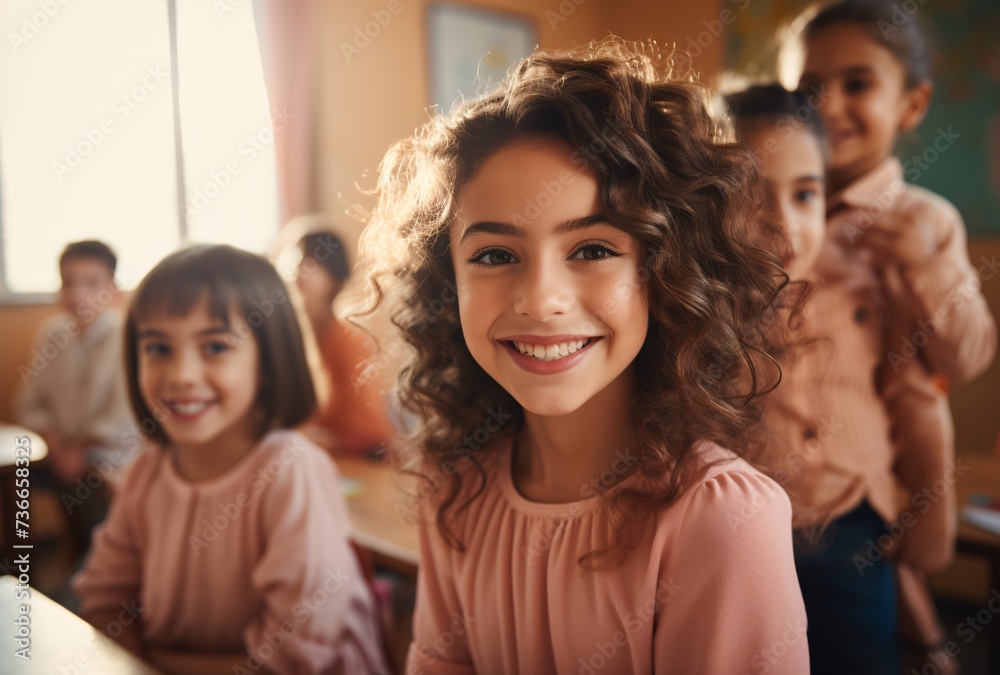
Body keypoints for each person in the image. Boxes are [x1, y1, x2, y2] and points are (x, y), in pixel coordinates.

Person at [359, 39, 809, 674]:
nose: (541, 301)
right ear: (445, 282)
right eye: (493, 255)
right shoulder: (454, 487)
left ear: (667, 271)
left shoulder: (723, 520)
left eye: (593, 249)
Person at [72, 245, 389, 675]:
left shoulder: (290, 471)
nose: (181, 374)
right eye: (159, 348)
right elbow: (104, 599)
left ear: (269, 362)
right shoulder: (148, 470)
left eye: (216, 346)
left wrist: (152, 663)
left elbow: (292, 659)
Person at [18, 240, 135, 557]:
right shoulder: (51, 333)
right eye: (68, 281)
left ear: (112, 288)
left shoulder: (127, 335)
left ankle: (97, 569)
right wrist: (57, 444)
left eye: (91, 283)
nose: (77, 293)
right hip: (59, 452)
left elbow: (126, 415)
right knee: (21, 480)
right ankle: (40, 574)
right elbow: (31, 403)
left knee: (98, 490)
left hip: (111, 453)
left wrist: (80, 451)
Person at [294, 229, 397, 457]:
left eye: (310, 262)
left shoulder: (348, 340)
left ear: (333, 276)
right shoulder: (298, 337)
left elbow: (366, 427)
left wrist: (313, 436)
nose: (299, 270)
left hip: (362, 456)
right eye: (297, 259)